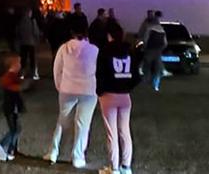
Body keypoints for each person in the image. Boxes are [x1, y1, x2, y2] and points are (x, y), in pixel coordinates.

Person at [44, 22, 99, 169]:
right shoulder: (94, 50)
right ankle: (78, 157)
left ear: (72, 32)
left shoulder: (63, 48)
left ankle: (54, 152)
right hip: (88, 90)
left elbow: (57, 69)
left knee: (63, 120)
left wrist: (60, 86)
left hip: (67, 89)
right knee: (83, 124)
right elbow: (99, 70)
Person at [96, 23, 141, 174]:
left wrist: (100, 91)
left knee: (112, 133)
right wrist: (127, 86)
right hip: (125, 96)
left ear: (109, 36)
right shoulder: (129, 52)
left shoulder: (105, 51)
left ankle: (114, 168)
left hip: (108, 96)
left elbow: (100, 74)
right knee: (125, 131)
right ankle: (126, 167)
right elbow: (136, 76)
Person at [0, 53, 26, 162]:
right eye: (19, 63)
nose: (20, 65)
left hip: (13, 108)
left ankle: (12, 151)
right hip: (10, 108)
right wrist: (23, 85)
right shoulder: (8, 77)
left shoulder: (13, 76)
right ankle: (0, 146)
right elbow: (14, 88)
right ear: (14, 65)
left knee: (16, 128)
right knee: (14, 130)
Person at [142, 11, 167, 92]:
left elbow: (145, 40)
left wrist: (144, 47)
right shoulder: (162, 30)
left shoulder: (149, 28)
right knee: (157, 68)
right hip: (158, 51)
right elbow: (165, 43)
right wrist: (160, 49)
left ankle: (146, 81)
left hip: (150, 50)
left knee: (147, 66)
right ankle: (156, 85)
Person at [16, 7, 41, 80]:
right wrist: (37, 39)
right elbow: (36, 32)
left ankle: (22, 73)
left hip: (23, 43)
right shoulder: (32, 21)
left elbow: (18, 32)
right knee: (32, 59)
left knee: (23, 59)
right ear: (29, 13)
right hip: (31, 43)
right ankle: (33, 74)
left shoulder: (20, 21)